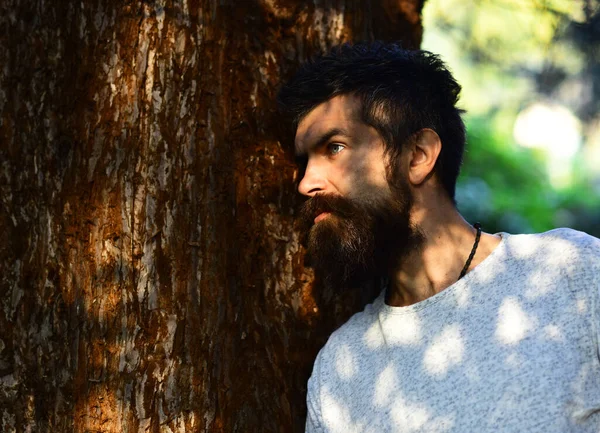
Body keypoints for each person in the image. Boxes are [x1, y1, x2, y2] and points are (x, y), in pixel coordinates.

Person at [277, 42, 600, 433]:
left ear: (417, 155)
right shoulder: (340, 371)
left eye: (335, 147)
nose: (307, 183)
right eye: (304, 161)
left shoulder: (573, 273)